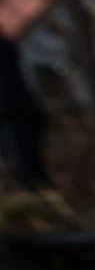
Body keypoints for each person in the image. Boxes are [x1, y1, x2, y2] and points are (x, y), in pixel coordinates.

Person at [0, 32, 53, 194]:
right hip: (13, 116)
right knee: (21, 167)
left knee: (25, 168)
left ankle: (46, 202)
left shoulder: (4, 49)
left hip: (14, 116)